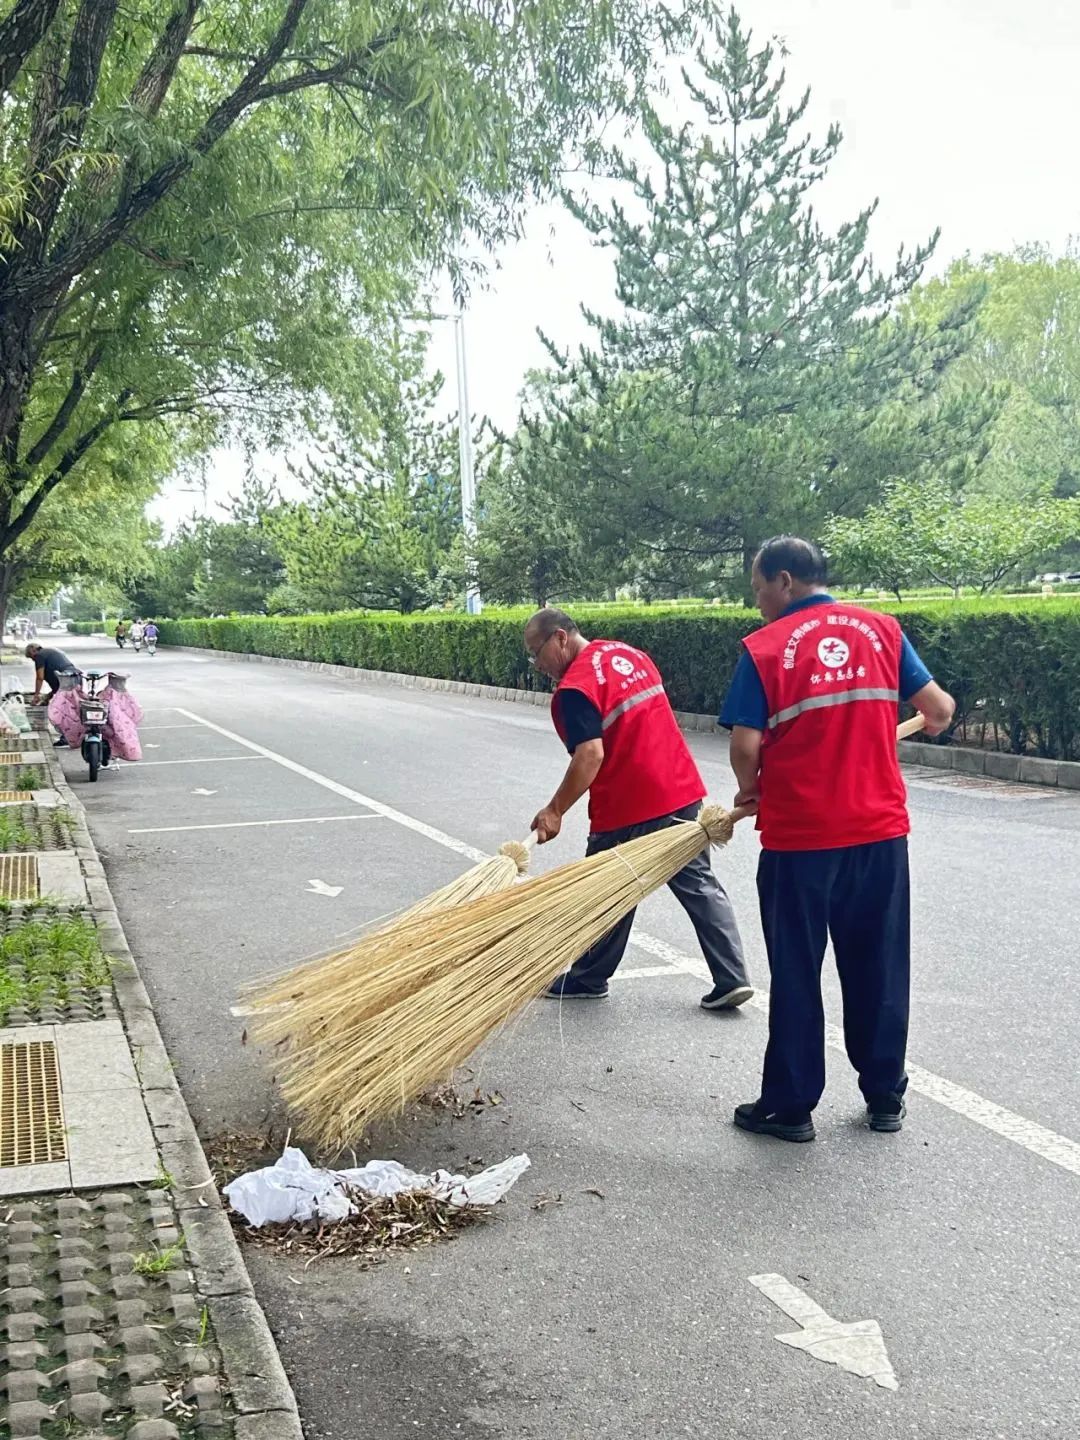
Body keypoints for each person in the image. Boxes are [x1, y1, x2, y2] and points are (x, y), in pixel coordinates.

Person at [719, 536, 955, 1143]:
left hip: (800, 842)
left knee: (797, 972)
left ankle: (791, 1107)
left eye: (759, 589)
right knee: (877, 966)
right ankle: (885, 1098)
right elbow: (939, 709)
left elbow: (745, 746)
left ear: (786, 581)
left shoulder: (766, 647)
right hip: (879, 836)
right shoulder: (882, 631)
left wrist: (752, 790)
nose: (759, 603)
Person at [525, 607, 752, 1009]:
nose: (537, 664)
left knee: (606, 889)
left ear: (560, 637)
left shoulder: (575, 688)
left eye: (535, 652)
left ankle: (589, 977)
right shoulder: (627, 655)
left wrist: (555, 809)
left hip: (627, 804)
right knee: (698, 884)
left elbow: (590, 756)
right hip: (679, 789)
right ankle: (732, 977)